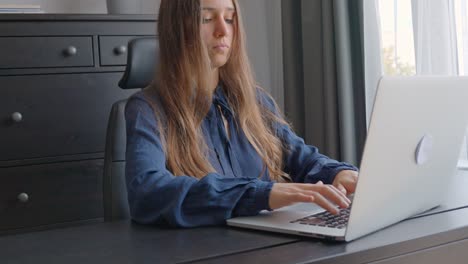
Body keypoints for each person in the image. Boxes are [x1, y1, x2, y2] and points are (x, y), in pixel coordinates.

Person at [124, 0, 359, 227]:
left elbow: (304, 159)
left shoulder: (256, 102)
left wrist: (338, 173)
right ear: (176, 28)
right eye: (206, 19)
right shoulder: (147, 109)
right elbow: (148, 192)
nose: (222, 30)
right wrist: (261, 194)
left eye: (230, 18)